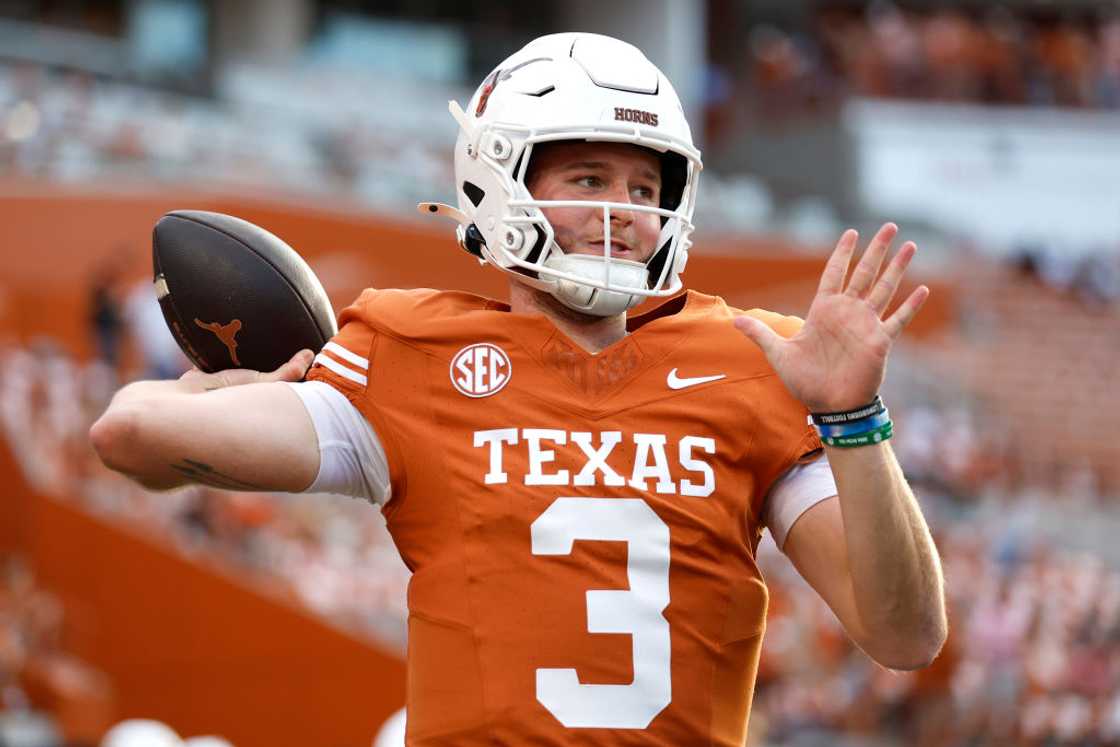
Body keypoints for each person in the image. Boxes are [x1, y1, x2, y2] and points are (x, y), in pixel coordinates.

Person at [90, 33, 946, 746]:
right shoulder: (410, 350)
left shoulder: (755, 359)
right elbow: (129, 435)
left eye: (646, 188)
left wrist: (852, 417)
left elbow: (904, 634)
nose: (625, 212)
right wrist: (225, 390)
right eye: (588, 180)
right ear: (497, 181)